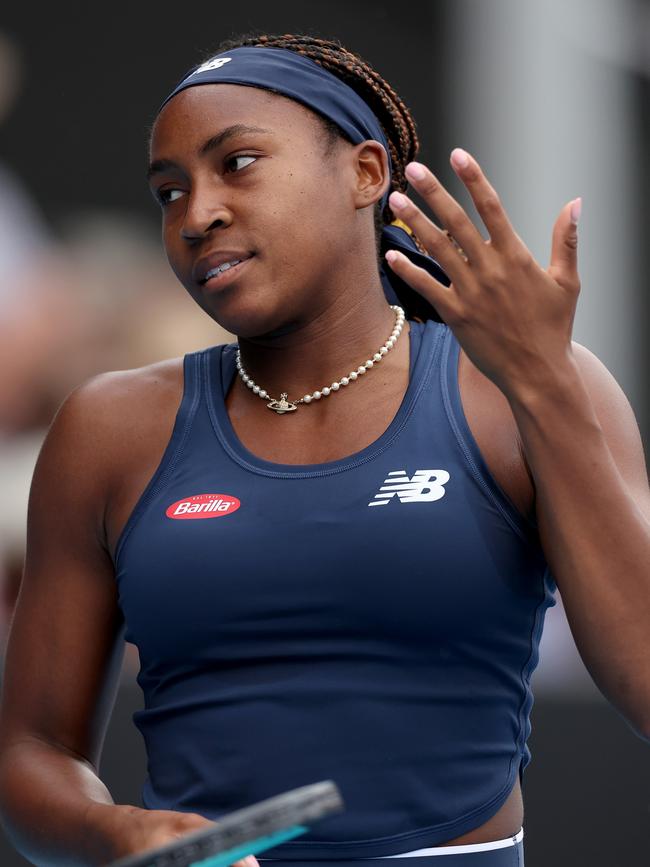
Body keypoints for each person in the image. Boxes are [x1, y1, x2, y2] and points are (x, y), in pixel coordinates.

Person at [1, 31, 649, 867]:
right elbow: (29, 755)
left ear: (366, 174)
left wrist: (545, 384)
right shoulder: (109, 429)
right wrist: (120, 833)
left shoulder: (516, 391)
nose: (197, 214)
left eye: (236, 163)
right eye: (169, 191)